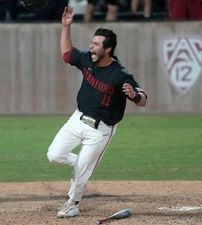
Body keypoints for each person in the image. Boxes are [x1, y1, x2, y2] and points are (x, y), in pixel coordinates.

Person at [47, 6, 147, 218]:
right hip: (78, 119)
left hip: (101, 129)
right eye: (91, 43)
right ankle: (83, 164)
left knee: (83, 170)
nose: (91, 47)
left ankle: (73, 203)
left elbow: (143, 99)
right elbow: (67, 54)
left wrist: (135, 95)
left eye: (96, 44)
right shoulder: (86, 60)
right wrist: (66, 27)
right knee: (54, 155)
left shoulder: (120, 74)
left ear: (108, 49)